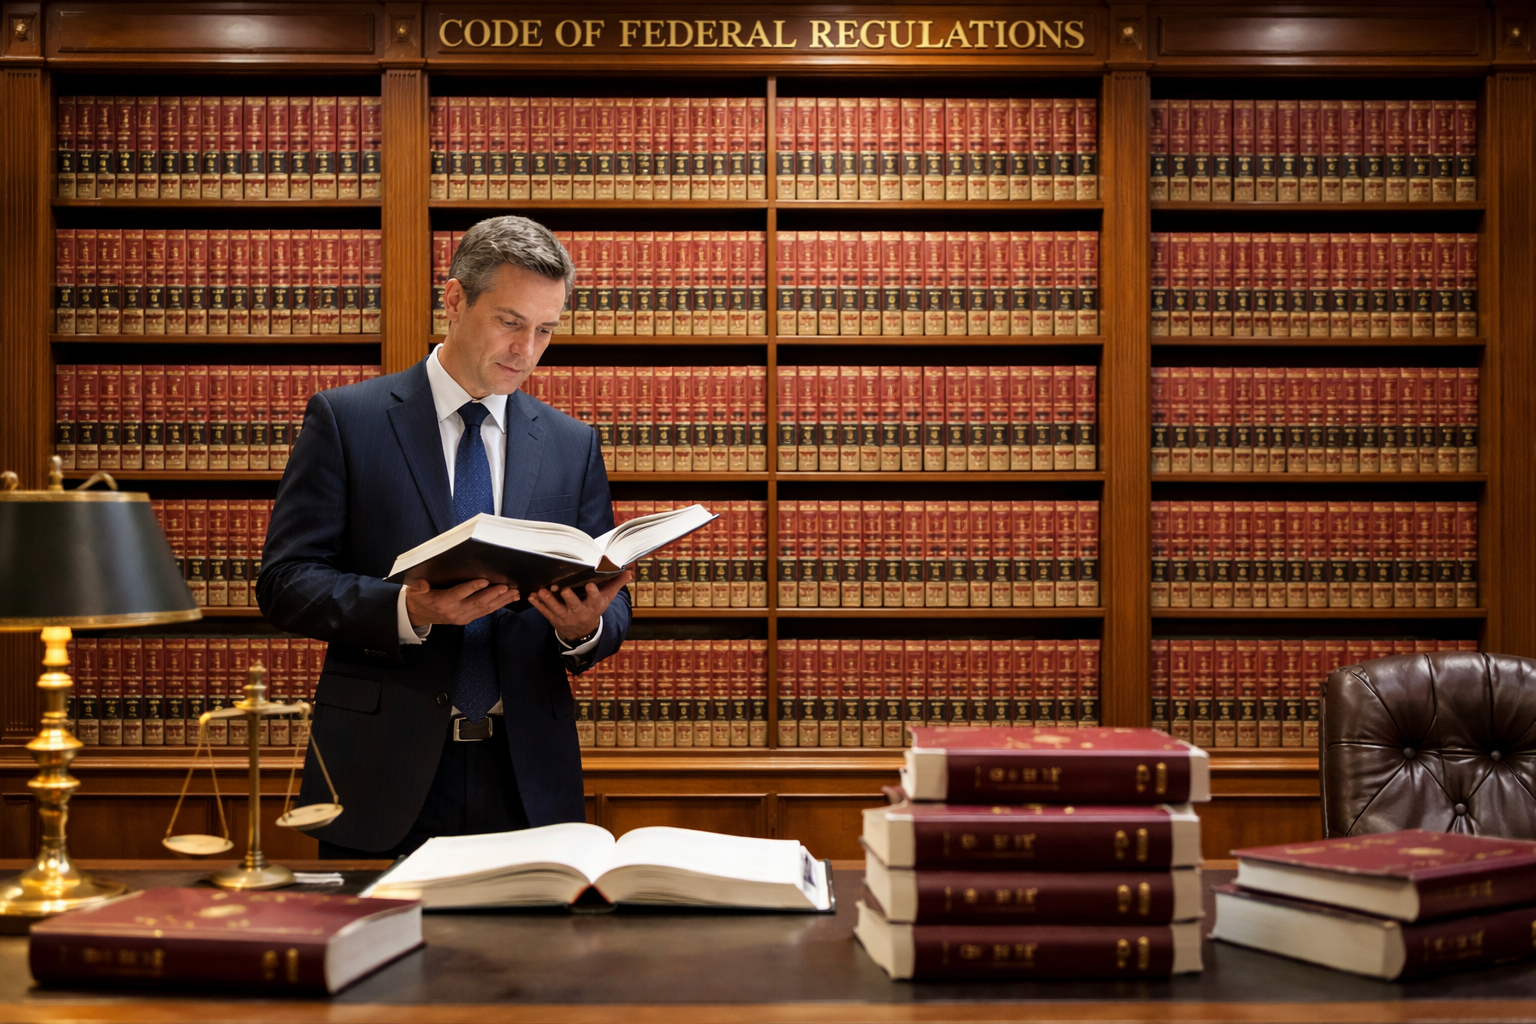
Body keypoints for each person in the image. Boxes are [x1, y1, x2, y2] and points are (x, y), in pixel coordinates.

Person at [257, 215, 630, 859]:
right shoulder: (348, 421)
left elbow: (610, 598)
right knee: (379, 959)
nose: (527, 350)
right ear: (454, 299)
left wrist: (585, 626)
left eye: (546, 331)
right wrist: (405, 610)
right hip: (381, 773)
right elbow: (285, 582)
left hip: (527, 779)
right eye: (510, 322)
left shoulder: (573, 444)